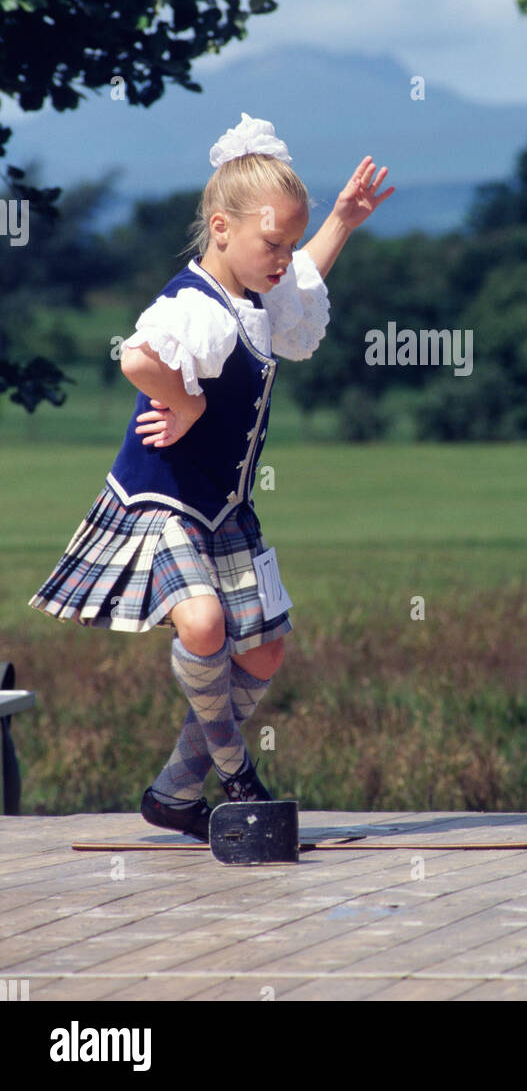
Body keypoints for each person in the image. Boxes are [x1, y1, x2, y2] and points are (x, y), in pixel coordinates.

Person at [28, 112, 393, 839]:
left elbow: (302, 283)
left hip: (223, 509)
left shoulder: (258, 295)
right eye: (272, 243)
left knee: (264, 647)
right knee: (203, 625)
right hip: (160, 502)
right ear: (221, 228)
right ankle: (237, 776)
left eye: (289, 243)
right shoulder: (196, 304)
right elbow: (135, 358)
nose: (283, 258)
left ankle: (173, 793)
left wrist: (344, 222)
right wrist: (185, 398)